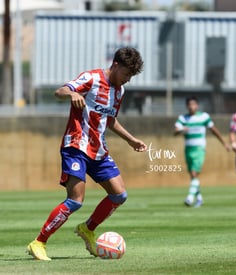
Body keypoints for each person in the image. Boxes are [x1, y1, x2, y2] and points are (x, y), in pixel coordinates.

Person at [26, 47, 147, 261]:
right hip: (76, 146)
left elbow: (110, 120)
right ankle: (39, 242)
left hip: (98, 150)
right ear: (116, 65)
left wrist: (130, 139)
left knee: (119, 195)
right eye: (127, 74)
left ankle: (87, 228)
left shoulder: (119, 91)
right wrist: (72, 93)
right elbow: (60, 91)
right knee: (75, 200)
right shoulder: (91, 78)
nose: (128, 80)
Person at [175, 96, 230, 207]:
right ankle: (199, 199)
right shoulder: (183, 118)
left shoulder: (204, 117)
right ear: (187, 106)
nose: (191, 107)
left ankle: (190, 198)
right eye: (189, 105)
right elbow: (175, 132)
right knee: (192, 175)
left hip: (199, 148)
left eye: (193, 104)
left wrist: (224, 142)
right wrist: (181, 130)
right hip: (188, 149)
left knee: (195, 173)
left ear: (197, 105)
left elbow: (213, 130)